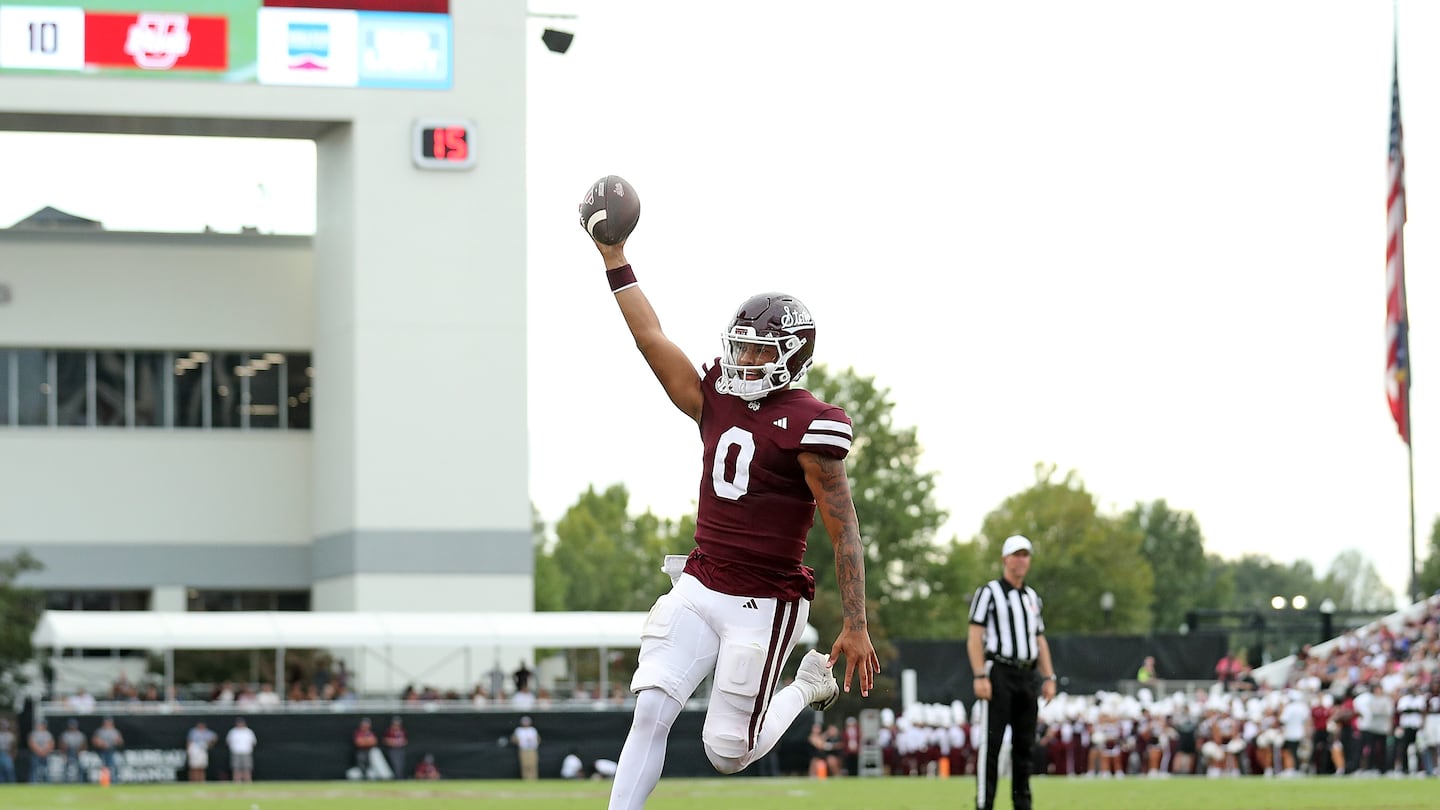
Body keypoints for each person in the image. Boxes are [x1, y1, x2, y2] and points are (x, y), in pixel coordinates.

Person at [586, 214, 879, 809]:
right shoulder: (716, 394)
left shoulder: (811, 424)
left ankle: (806, 687)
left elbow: (843, 528)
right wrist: (614, 255)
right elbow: (652, 339)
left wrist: (855, 623)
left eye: (758, 348)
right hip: (700, 581)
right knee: (650, 708)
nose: (743, 357)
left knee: (727, 752)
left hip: (764, 601)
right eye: (740, 345)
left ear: (793, 356)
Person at [967, 535, 1057, 810]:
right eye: (1016, 554)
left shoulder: (1032, 598)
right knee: (992, 744)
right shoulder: (989, 592)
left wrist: (1049, 677)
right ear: (1005, 559)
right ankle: (985, 803)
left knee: (1025, 745)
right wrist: (980, 674)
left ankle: (1022, 804)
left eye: (1025, 555)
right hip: (1000, 672)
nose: (1021, 560)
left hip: (1027, 675)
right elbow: (974, 636)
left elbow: (1039, 639)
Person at [91, 716, 125, 783]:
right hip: (102, 751)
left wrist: (117, 741)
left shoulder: (115, 731)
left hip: (112, 750)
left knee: (113, 765)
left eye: (109, 721)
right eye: (106, 721)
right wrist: (101, 744)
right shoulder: (100, 731)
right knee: (104, 766)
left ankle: (114, 780)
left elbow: (121, 741)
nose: (108, 723)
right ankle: (104, 781)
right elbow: (94, 741)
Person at [225, 717, 257, 783]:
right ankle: (237, 781)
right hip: (236, 752)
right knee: (236, 767)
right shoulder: (233, 731)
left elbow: (253, 742)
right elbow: (228, 742)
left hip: (246, 752)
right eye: (239, 723)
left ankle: (247, 781)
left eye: (241, 723)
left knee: (247, 767)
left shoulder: (248, 731)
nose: (240, 724)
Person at [511, 715, 541, 780]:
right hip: (523, 749)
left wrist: (534, 743)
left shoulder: (533, 730)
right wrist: (520, 742)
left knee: (533, 764)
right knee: (525, 764)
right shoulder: (519, 730)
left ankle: (533, 778)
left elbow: (538, 739)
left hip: (532, 749)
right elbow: (513, 739)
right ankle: (525, 778)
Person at [58, 718, 87, 783]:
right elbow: (62, 744)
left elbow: (84, 744)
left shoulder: (80, 734)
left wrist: (79, 751)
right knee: (66, 767)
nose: (72, 726)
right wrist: (64, 753)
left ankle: (81, 781)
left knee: (80, 767)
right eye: (71, 725)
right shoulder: (65, 734)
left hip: (78, 752)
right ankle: (65, 781)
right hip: (68, 752)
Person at [0, 718, 17, 784]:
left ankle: (12, 784)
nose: (2, 726)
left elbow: (14, 746)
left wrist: (13, 754)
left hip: (7, 753)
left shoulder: (10, 735)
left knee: (9, 770)